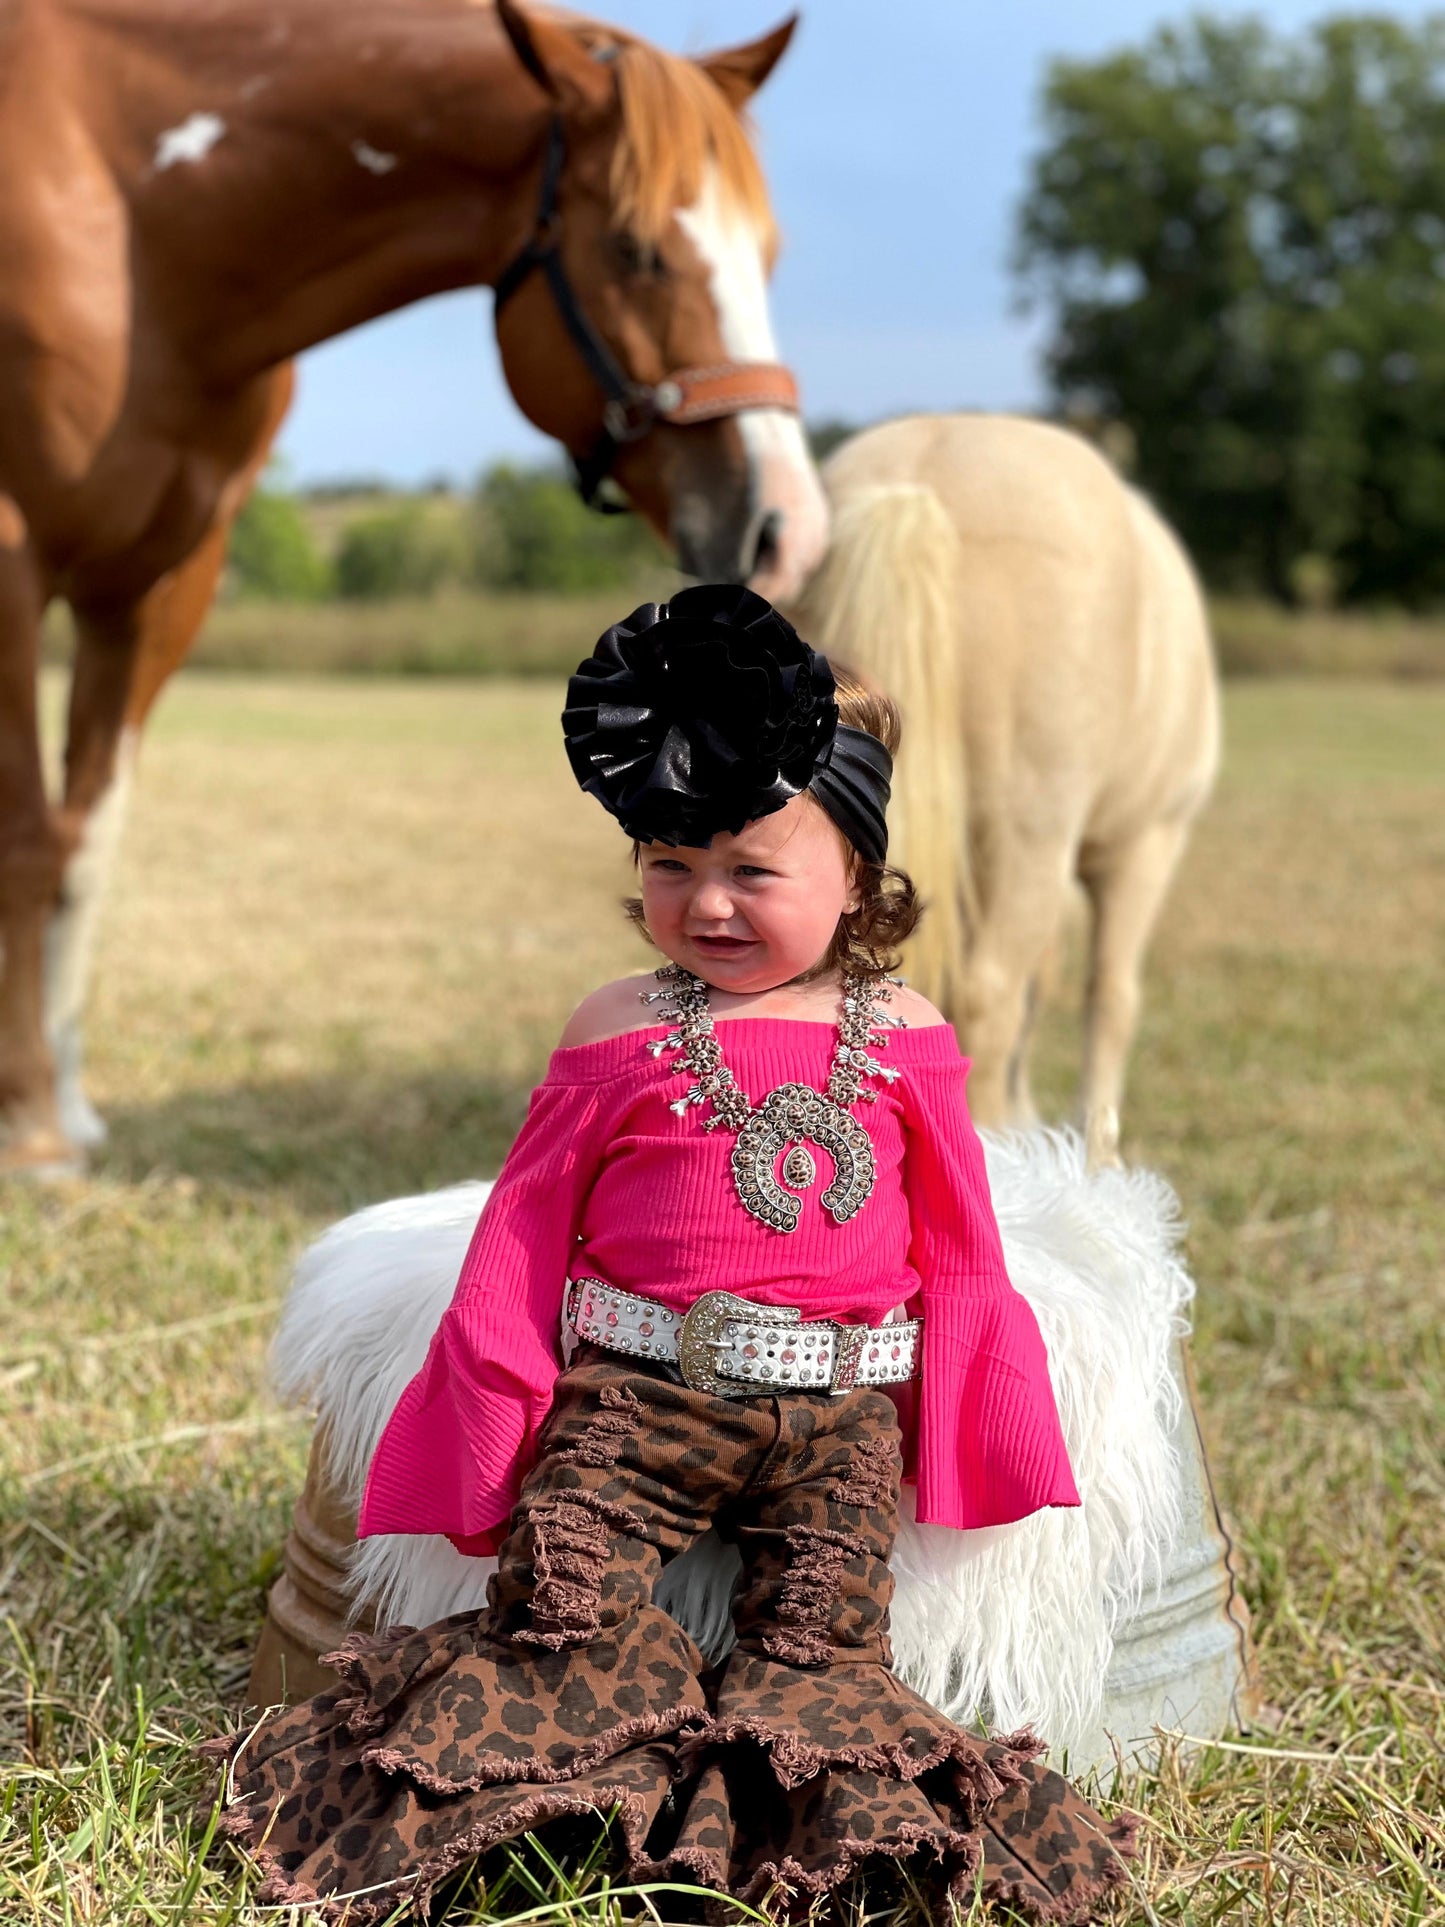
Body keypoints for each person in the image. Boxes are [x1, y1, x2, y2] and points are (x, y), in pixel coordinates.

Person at [211, 586, 1138, 1920]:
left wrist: (979, 1433)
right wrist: (481, 1426)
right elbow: (521, 1236)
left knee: (820, 1660)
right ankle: (542, 1829)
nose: (704, 903)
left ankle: (814, 1858)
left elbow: (964, 1250)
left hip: (836, 1421)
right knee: (560, 1618)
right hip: (634, 1403)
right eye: (667, 862)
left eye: (751, 871)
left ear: (857, 877)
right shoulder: (618, 1024)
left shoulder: (906, 1030)